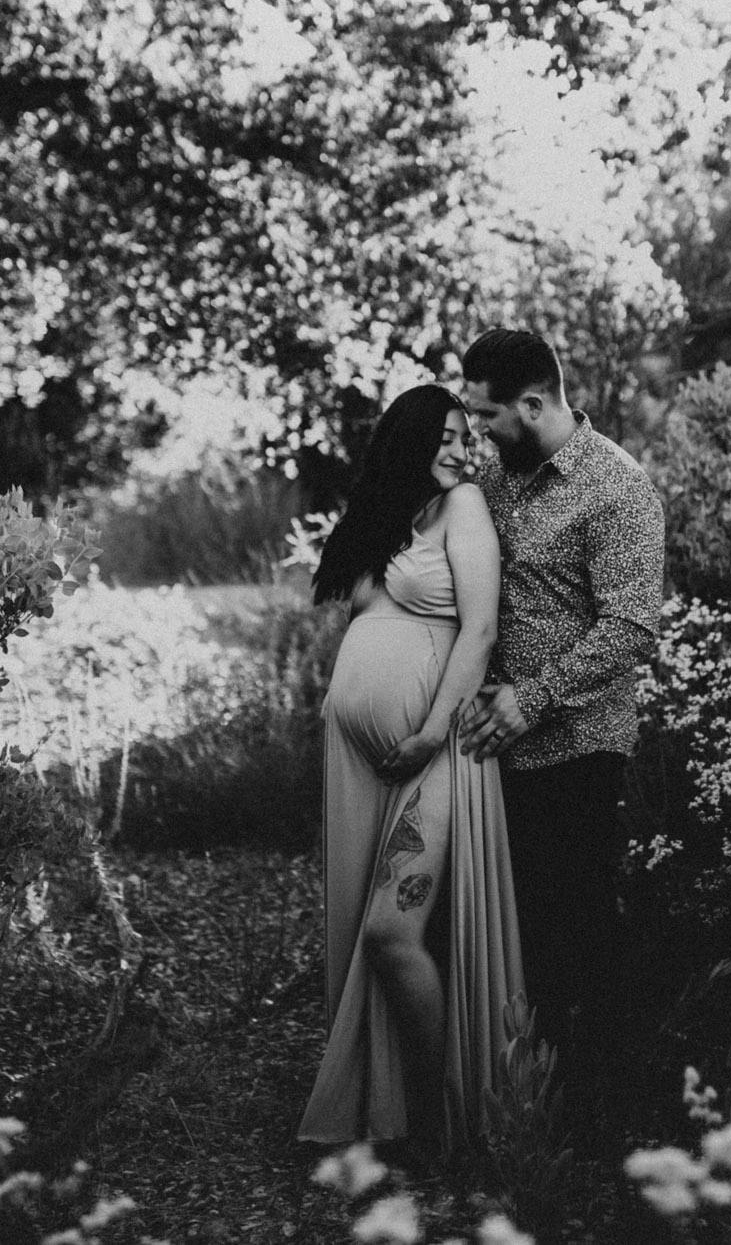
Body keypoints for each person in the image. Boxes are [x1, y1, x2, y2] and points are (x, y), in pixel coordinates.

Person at [297, 384, 524, 1151]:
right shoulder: (396, 519)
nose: (465, 450)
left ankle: (439, 1124)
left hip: (437, 749)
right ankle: (384, 1110)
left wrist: (429, 732)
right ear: (412, 441)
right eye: (449, 437)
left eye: (468, 436)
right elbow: (364, 611)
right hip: (364, 758)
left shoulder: (464, 508)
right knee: (366, 933)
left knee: (392, 936)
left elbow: (480, 629)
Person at [456, 328, 665, 1070]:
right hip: (494, 750)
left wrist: (533, 699)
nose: (478, 430)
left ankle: (604, 1103)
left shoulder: (616, 486)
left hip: (578, 748)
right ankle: (521, 1090)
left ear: (533, 404)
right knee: (517, 937)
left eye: (487, 415)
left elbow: (632, 626)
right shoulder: (495, 479)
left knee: (581, 934)